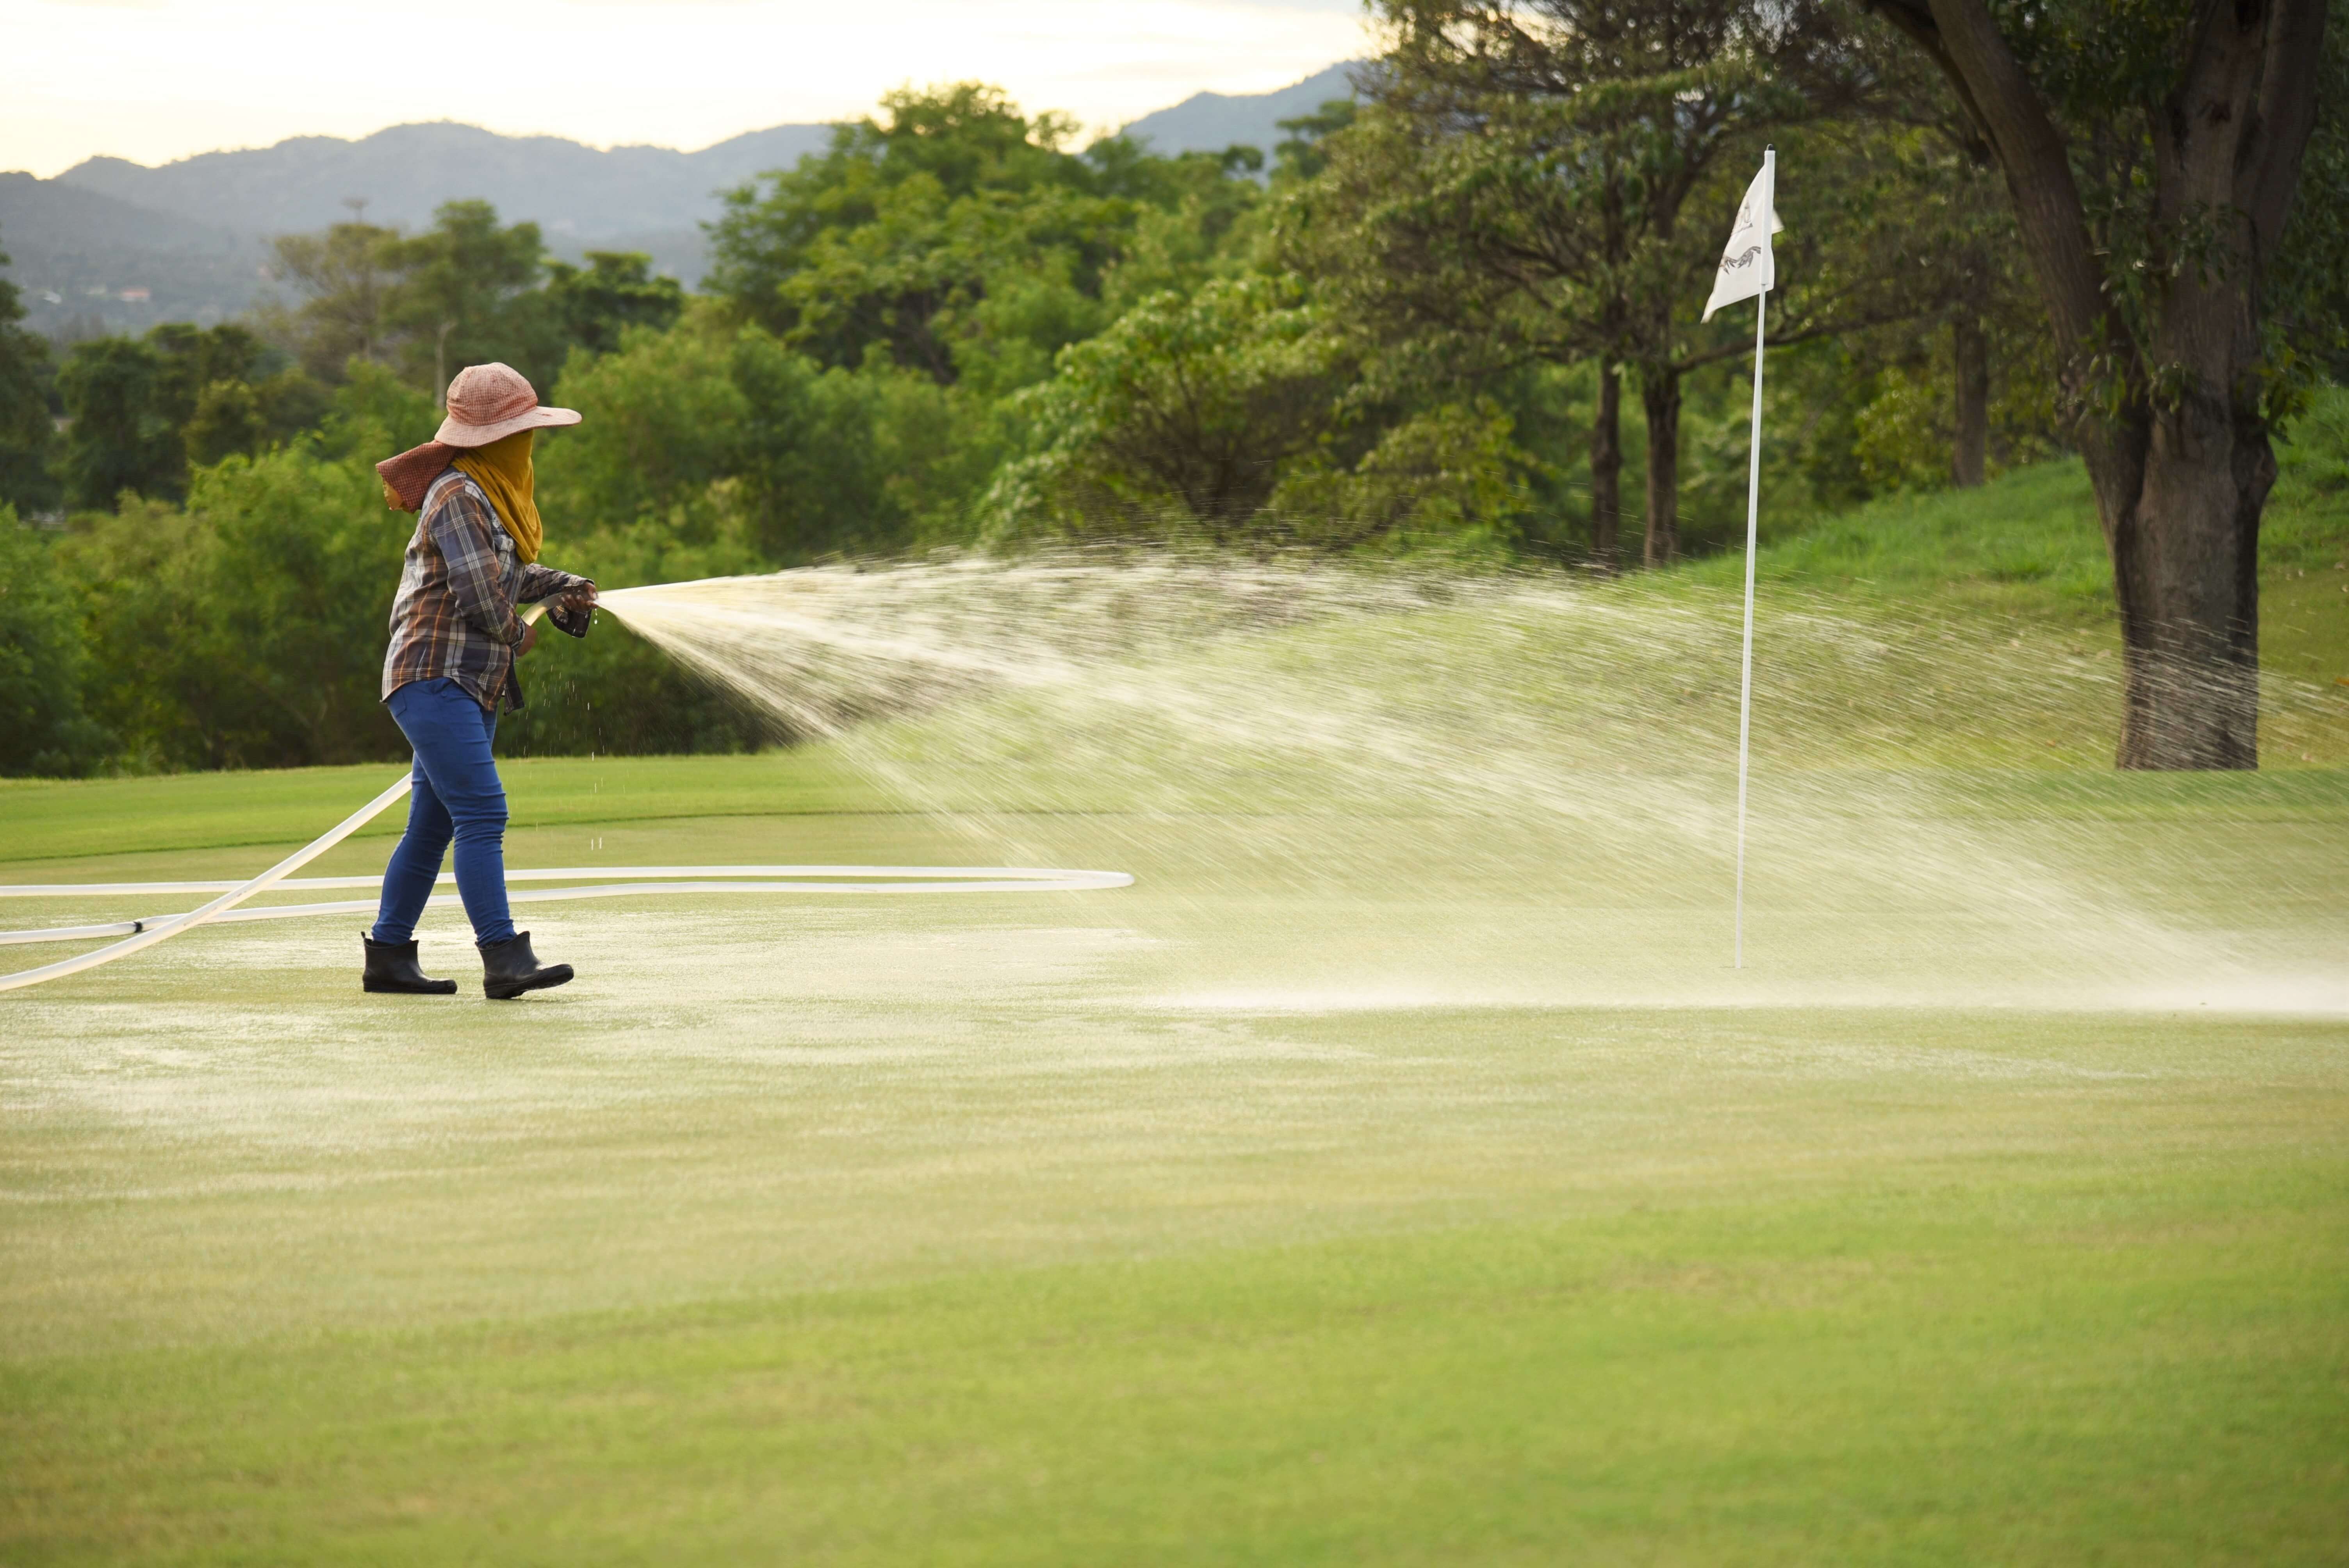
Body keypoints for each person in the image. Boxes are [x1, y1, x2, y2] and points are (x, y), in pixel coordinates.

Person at [363, 362, 598, 999]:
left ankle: (388, 956)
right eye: (522, 434)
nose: (529, 446)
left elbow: (507, 576)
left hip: (466, 682)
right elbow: (482, 597)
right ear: (495, 441)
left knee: (433, 826)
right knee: (483, 812)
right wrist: (520, 632)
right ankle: (503, 956)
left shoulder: (486, 497)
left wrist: (565, 587)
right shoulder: (458, 496)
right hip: (433, 677)